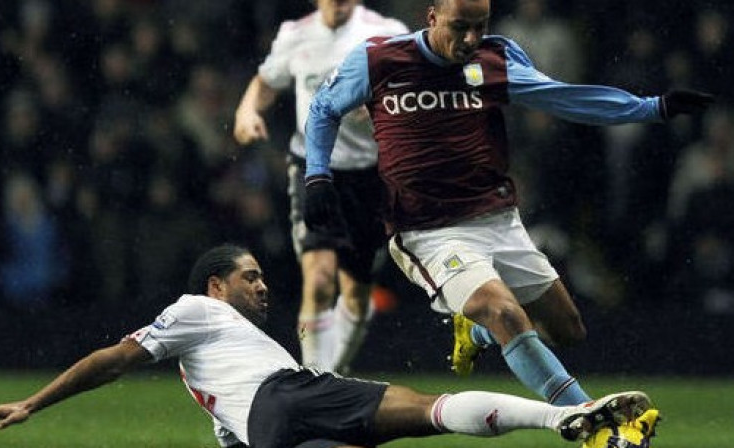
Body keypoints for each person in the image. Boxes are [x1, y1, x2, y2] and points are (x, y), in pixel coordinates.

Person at [302, 0, 713, 407]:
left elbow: (563, 97)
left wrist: (652, 107)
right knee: (502, 311)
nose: (470, 38)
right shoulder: (380, 60)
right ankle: (590, 417)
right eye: (459, 26)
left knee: (568, 330)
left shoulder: (492, 60)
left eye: (479, 27)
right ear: (432, 17)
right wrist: (317, 175)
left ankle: (474, 331)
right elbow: (323, 108)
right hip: (428, 230)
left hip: (498, 219)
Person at [0, 244, 653, 448]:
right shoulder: (194, 311)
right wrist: (37, 400)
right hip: (290, 396)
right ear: (216, 284)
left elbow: (236, 439)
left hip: (266, 426)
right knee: (429, 410)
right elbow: (113, 359)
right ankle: (566, 418)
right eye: (251, 276)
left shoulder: (216, 374)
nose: (264, 287)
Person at [233, 0, 408, 373]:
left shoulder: (387, 33)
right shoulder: (295, 35)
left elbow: (412, 93)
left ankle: (334, 373)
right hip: (314, 168)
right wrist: (247, 111)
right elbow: (266, 81)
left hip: (371, 176)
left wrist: (380, 104)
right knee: (319, 278)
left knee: (357, 296)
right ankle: (315, 381)